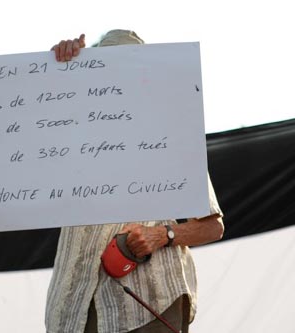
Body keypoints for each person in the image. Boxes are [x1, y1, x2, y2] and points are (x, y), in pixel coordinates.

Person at [46, 30, 224, 333]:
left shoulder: (172, 136)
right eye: (107, 67)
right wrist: (57, 70)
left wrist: (162, 235)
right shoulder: (67, 131)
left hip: (147, 306)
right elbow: (26, 135)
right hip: (73, 308)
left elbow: (212, 226)